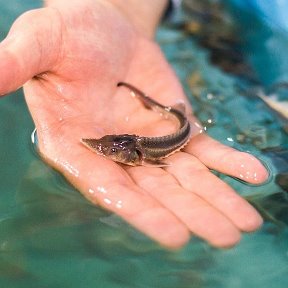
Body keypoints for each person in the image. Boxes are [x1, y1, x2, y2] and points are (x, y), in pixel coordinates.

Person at [0, 0, 268, 249]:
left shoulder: (149, 154)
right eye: (109, 149)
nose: (104, 149)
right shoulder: (137, 149)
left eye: (112, 151)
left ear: (136, 157)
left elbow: (157, 159)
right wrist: (119, 10)